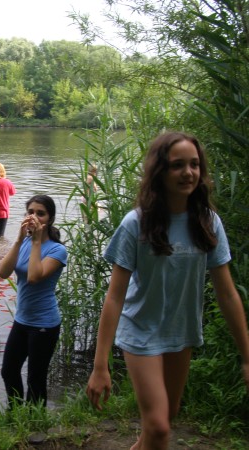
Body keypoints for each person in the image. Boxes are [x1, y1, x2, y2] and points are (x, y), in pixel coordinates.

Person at [86, 132, 249, 450]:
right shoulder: (137, 223)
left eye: (194, 164)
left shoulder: (207, 222)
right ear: (160, 171)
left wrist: (247, 356)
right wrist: (100, 365)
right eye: (177, 165)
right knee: (160, 427)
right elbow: (115, 296)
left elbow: (227, 293)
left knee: (163, 420)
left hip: (180, 331)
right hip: (140, 330)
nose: (188, 173)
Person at [0, 194, 68, 407]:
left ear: (50, 218)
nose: (34, 217)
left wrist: (37, 241)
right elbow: (2, 272)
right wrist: (20, 239)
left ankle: (35, 425)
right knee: (8, 371)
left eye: (40, 213)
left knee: (36, 379)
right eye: (30, 212)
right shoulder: (25, 242)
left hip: (44, 324)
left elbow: (34, 276)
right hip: (22, 320)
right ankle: (15, 414)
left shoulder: (58, 250)